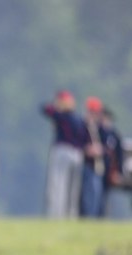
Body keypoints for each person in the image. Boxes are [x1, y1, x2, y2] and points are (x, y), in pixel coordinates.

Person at [41, 90, 86, 219]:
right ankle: (71, 214)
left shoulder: (61, 116)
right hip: (77, 154)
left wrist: (56, 107)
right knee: (73, 188)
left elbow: (45, 109)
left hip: (62, 152)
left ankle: (56, 215)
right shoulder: (79, 119)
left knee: (58, 185)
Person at [80, 96, 106, 218]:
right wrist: (88, 150)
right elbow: (79, 144)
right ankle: (88, 217)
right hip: (87, 164)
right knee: (88, 194)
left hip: (97, 165)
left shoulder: (98, 128)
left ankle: (94, 217)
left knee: (96, 193)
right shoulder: (83, 126)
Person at [100, 107, 124, 217]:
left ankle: (104, 215)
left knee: (107, 195)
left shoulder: (115, 135)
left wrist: (119, 171)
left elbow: (119, 155)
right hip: (98, 169)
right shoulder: (98, 132)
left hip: (109, 170)